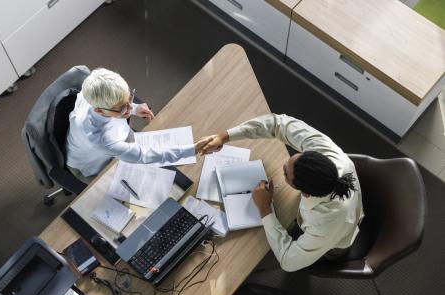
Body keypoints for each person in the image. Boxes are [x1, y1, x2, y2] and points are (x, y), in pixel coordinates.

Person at [199, 114, 364, 272]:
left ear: (305, 194)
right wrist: (224, 136)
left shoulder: (325, 222)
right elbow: (279, 123)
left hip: (332, 245)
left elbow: (288, 262)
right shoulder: (326, 152)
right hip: (330, 216)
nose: (282, 167)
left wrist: (265, 208)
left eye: (285, 174)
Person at [66, 68, 210, 184]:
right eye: (123, 108)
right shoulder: (100, 138)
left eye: (130, 98)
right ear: (98, 109)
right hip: (93, 165)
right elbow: (144, 156)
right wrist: (193, 149)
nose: (129, 109)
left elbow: (119, 103)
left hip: (115, 138)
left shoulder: (94, 90)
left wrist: (135, 107)